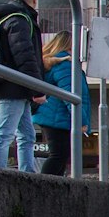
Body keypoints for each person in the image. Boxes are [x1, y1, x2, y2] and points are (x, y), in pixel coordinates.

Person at [0, 0, 44, 172]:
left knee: (26, 135)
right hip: (14, 88)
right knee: (5, 134)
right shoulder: (19, 20)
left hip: (11, 87)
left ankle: (28, 172)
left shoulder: (5, 18)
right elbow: (25, 57)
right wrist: (37, 89)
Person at [31, 31, 90, 176]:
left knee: (59, 155)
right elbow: (70, 94)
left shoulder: (53, 62)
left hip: (52, 114)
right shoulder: (64, 65)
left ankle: (52, 187)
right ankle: (44, 187)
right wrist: (81, 121)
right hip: (57, 116)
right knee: (59, 155)